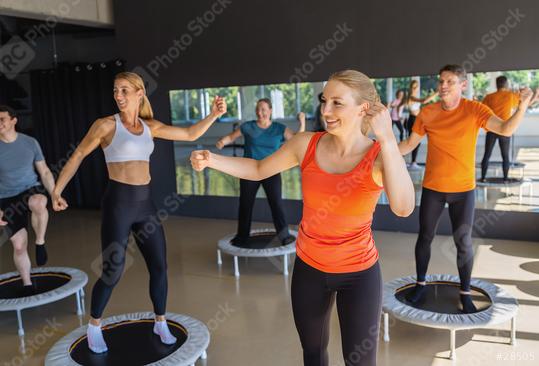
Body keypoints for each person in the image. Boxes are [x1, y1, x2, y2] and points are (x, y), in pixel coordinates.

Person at [192, 70, 415, 366]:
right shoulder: (306, 144)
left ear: (364, 108)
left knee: (360, 362)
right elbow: (259, 169)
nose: (325, 110)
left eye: (337, 103)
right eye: (324, 101)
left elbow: (403, 207)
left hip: (359, 274)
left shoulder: (376, 156)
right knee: (313, 354)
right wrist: (212, 160)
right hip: (310, 270)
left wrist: (386, 138)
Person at [52, 72, 226, 353]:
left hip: (146, 205)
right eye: (115, 91)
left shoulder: (150, 126)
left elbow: (190, 134)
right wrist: (57, 190)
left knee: (160, 266)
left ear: (139, 93)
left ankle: (160, 321)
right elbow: (78, 156)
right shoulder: (105, 125)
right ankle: (94, 325)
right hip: (118, 204)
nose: (118, 96)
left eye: (124, 90)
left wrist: (214, 114)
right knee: (113, 270)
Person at [399, 65, 534, 313]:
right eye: (441, 81)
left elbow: (505, 129)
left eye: (450, 81)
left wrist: (522, 106)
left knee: (463, 242)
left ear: (462, 85)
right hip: (433, 189)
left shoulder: (475, 109)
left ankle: (465, 292)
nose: (443, 85)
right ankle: (420, 284)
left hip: (463, 190)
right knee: (425, 237)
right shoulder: (427, 113)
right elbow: (407, 146)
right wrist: (376, 150)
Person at [215, 98, 305, 246]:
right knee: (245, 204)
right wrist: (222, 142)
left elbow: (296, 140)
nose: (260, 112)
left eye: (263, 109)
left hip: (271, 170)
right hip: (248, 171)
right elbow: (231, 137)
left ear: (270, 111)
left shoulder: (279, 128)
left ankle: (284, 236)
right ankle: (242, 237)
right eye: (258, 109)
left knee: (276, 203)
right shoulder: (248, 126)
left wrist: (302, 122)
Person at [0, 105, 55, 295]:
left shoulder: (30, 142)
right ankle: (27, 284)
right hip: (6, 197)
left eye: (2, 119)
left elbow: (45, 171)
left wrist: (55, 195)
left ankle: (40, 242)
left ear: (14, 120)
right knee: (18, 246)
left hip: (30, 189)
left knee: (39, 202)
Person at [479, 76, 520, 182]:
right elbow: (522, 104)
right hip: (505, 130)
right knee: (505, 156)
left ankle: (483, 178)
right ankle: (505, 179)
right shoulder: (511, 95)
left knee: (487, 154)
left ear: (496, 85)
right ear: (506, 84)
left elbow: (481, 110)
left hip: (492, 129)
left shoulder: (489, 97)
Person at [404, 80, 438, 169]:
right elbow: (424, 101)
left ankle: (413, 162)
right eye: (415, 87)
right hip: (413, 120)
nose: (416, 88)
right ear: (412, 88)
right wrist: (436, 93)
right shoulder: (411, 97)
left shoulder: (413, 97)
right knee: (413, 142)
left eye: (417, 86)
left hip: (415, 119)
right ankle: (413, 162)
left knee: (415, 142)